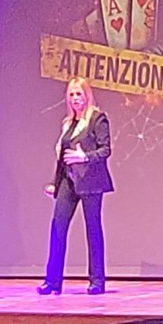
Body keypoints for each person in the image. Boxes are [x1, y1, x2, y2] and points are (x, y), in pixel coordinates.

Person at [38, 78, 113, 295]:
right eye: (71, 94)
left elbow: (105, 150)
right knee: (58, 227)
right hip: (68, 182)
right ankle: (52, 281)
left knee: (93, 229)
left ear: (87, 95)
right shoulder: (68, 124)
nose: (75, 98)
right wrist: (55, 183)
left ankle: (97, 281)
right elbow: (62, 159)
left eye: (79, 94)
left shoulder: (97, 119)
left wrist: (84, 156)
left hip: (91, 182)